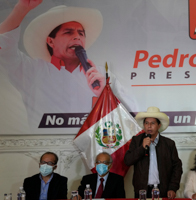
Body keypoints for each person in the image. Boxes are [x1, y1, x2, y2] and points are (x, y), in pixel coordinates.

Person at [0, 0, 106, 129]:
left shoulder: (102, 76)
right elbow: (5, 49)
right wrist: (21, 9)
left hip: (91, 147)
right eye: (68, 32)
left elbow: (129, 114)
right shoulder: (32, 70)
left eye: (81, 33)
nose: (77, 37)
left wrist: (103, 93)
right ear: (50, 41)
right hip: (44, 147)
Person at [124, 106, 183, 199]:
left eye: (152, 123)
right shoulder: (136, 140)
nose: (149, 126)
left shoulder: (169, 144)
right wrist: (142, 148)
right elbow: (127, 160)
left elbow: (177, 167)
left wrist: (173, 188)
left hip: (163, 190)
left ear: (159, 126)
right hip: (142, 191)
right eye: (146, 123)